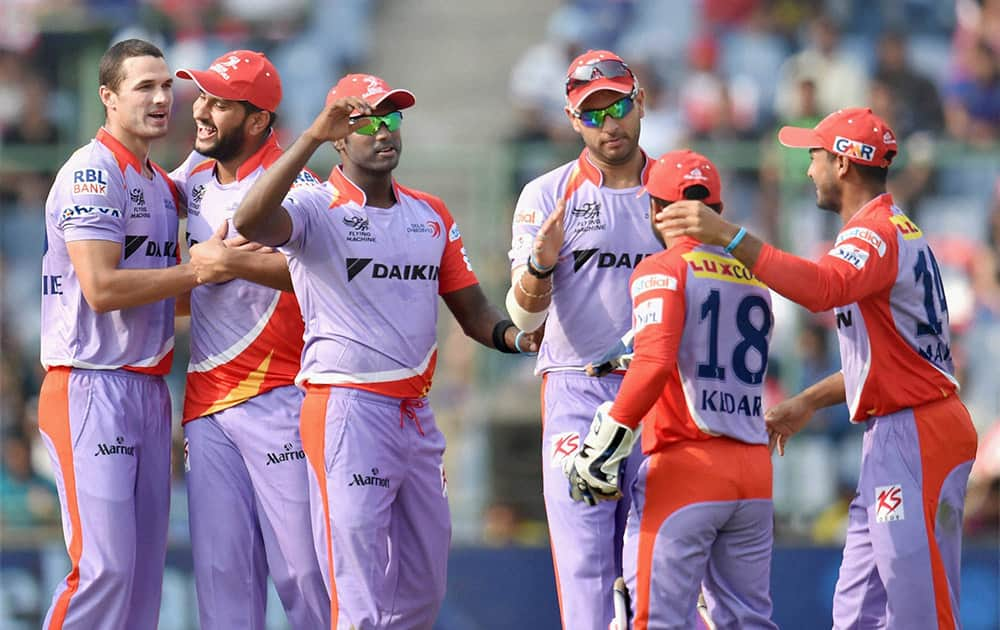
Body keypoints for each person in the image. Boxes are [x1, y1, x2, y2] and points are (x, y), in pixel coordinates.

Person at [233, 73, 537, 629]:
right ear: (339, 137)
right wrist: (308, 139)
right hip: (347, 410)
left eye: (391, 118)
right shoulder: (313, 206)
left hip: (416, 416)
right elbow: (249, 221)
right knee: (358, 592)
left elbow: (473, 313)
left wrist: (519, 337)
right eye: (366, 121)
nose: (383, 131)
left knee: (423, 588)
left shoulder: (431, 214)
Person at [659, 107, 978, 629]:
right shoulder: (893, 230)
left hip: (916, 433)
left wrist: (730, 237)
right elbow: (893, 361)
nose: (808, 169)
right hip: (901, 426)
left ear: (843, 164)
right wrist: (807, 400)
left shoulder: (870, 236)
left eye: (814, 155)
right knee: (856, 611)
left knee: (920, 612)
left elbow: (820, 290)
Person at [563, 149, 778, 629]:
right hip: (753, 472)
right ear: (716, 210)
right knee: (748, 622)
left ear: (655, 210)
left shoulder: (660, 267)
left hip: (687, 467)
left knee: (656, 622)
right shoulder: (756, 278)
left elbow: (656, 361)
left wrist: (607, 439)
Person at [37, 38, 198, 629]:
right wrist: (198, 271)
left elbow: (169, 295)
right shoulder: (90, 172)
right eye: (144, 87)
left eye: (166, 87)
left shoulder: (157, 183)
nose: (161, 99)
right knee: (103, 570)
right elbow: (102, 289)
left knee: (141, 577)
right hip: (89, 386)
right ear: (108, 97)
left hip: (149, 390)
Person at [170, 50, 328, 629]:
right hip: (207, 407)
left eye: (220, 103)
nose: (202, 111)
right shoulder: (186, 182)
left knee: (306, 576)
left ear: (259, 120)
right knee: (222, 583)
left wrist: (232, 264)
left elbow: (331, 274)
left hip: (283, 397)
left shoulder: (300, 183)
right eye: (203, 97)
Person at [506, 49, 662, 630]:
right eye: (592, 114)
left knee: (657, 566)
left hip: (657, 391)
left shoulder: (674, 188)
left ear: (640, 101)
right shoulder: (547, 195)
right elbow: (522, 321)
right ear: (573, 120)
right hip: (577, 393)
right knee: (585, 568)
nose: (609, 123)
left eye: (618, 106)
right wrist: (542, 267)